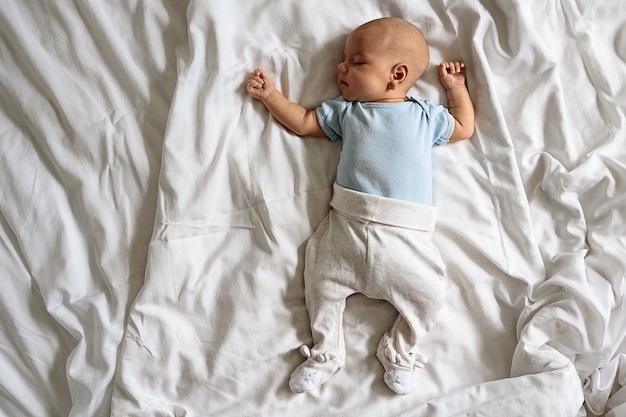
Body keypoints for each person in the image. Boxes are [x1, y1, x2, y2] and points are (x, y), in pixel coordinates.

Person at [247, 16, 474, 395]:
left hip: (406, 234)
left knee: (430, 293)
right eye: (344, 60)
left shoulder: (423, 115)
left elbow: (463, 127)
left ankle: (400, 351)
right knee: (319, 280)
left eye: (356, 61)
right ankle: (325, 353)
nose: (341, 67)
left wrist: (456, 89)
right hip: (347, 225)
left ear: (397, 74)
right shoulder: (347, 112)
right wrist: (272, 96)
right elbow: (303, 122)